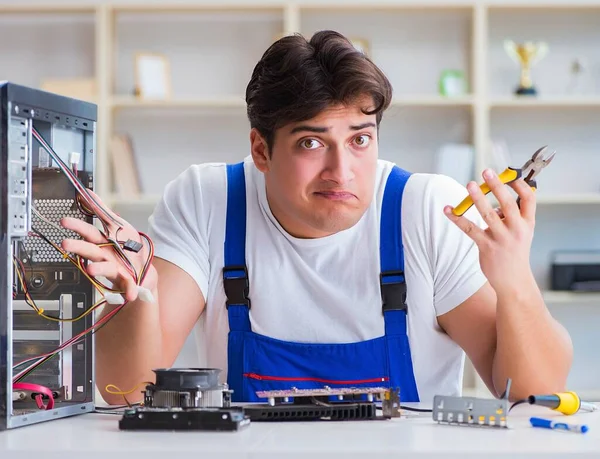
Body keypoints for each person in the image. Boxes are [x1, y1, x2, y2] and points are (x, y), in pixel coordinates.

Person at [62, 30, 573, 405]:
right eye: (312, 142)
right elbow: (123, 394)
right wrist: (136, 298)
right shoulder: (209, 200)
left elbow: (533, 396)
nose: (342, 170)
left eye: (360, 138)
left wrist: (516, 282)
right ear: (261, 150)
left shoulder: (424, 212)